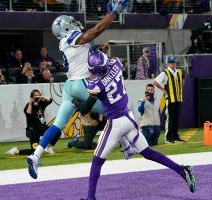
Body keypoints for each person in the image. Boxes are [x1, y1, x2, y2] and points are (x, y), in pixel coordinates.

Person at [27, 0, 135, 179]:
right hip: (80, 83)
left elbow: (88, 42)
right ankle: (126, 147)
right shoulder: (70, 38)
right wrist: (114, 12)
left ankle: (35, 155)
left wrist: (107, 14)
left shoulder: (65, 42)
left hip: (69, 86)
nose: (74, 24)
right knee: (113, 110)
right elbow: (96, 31)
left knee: (57, 125)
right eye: (69, 24)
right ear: (64, 29)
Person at [75, 50, 196, 200]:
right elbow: (109, 66)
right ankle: (182, 170)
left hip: (116, 123)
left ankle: (90, 198)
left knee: (97, 160)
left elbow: (86, 108)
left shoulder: (95, 85)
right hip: (129, 117)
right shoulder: (117, 64)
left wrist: (79, 105)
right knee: (148, 153)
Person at [5, 89, 55, 155]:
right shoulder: (28, 105)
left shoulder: (41, 104)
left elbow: (50, 100)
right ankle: (15, 151)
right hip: (33, 131)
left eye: (38, 95)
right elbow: (28, 114)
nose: (37, 97)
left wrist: (42, 97)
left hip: (42, 128)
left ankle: (48, 147)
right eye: (35, 96)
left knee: (57, 131)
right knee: (34, 151)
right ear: (32, 97)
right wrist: (30, 104)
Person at [153, 56, 184, 144]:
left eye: (174, 62)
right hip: (170, 99)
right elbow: (155, 82)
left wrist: (179, 89)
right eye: (172, 62)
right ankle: (168, 137)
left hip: (178, 98)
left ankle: (175, 136)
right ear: (169, 63)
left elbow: (182, 80)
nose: (174, 64)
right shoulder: (165, 73)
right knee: (170, 118)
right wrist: (163, 90)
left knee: (176, 118)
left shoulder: (179, 71)